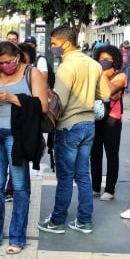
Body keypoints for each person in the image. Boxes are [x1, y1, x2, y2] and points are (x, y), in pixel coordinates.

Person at [0, 41, 47, 255]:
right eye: (1, 62)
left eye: (9, 62)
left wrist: (12, 98)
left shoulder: (31, 73)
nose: (5, 65)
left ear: (18, 57)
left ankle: (17, 238)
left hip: (17, 136)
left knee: (19, 187)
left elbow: (41, 105)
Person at [37, 25, 110, 235]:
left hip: (69, 126)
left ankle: (58, 220)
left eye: (54, 44)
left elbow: (60, 102)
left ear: (66, 43)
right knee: (83, 176)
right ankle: (84, 220)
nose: (52, 48)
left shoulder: (66, 67)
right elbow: (103, 94)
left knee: (66, 176)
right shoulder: (93, 64)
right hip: (89, 125)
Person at [91, 45, 127, 201]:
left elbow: (110, 90)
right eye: (101, 59)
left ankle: (110, 190)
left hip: (112, 118)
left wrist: (103, 74)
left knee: (111, 154)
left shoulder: (121, 76)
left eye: (107, 59)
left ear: (115, 61)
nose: (103, 61)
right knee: (95, 153)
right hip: (97, 114)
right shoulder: (95, 75)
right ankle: (95, 187)